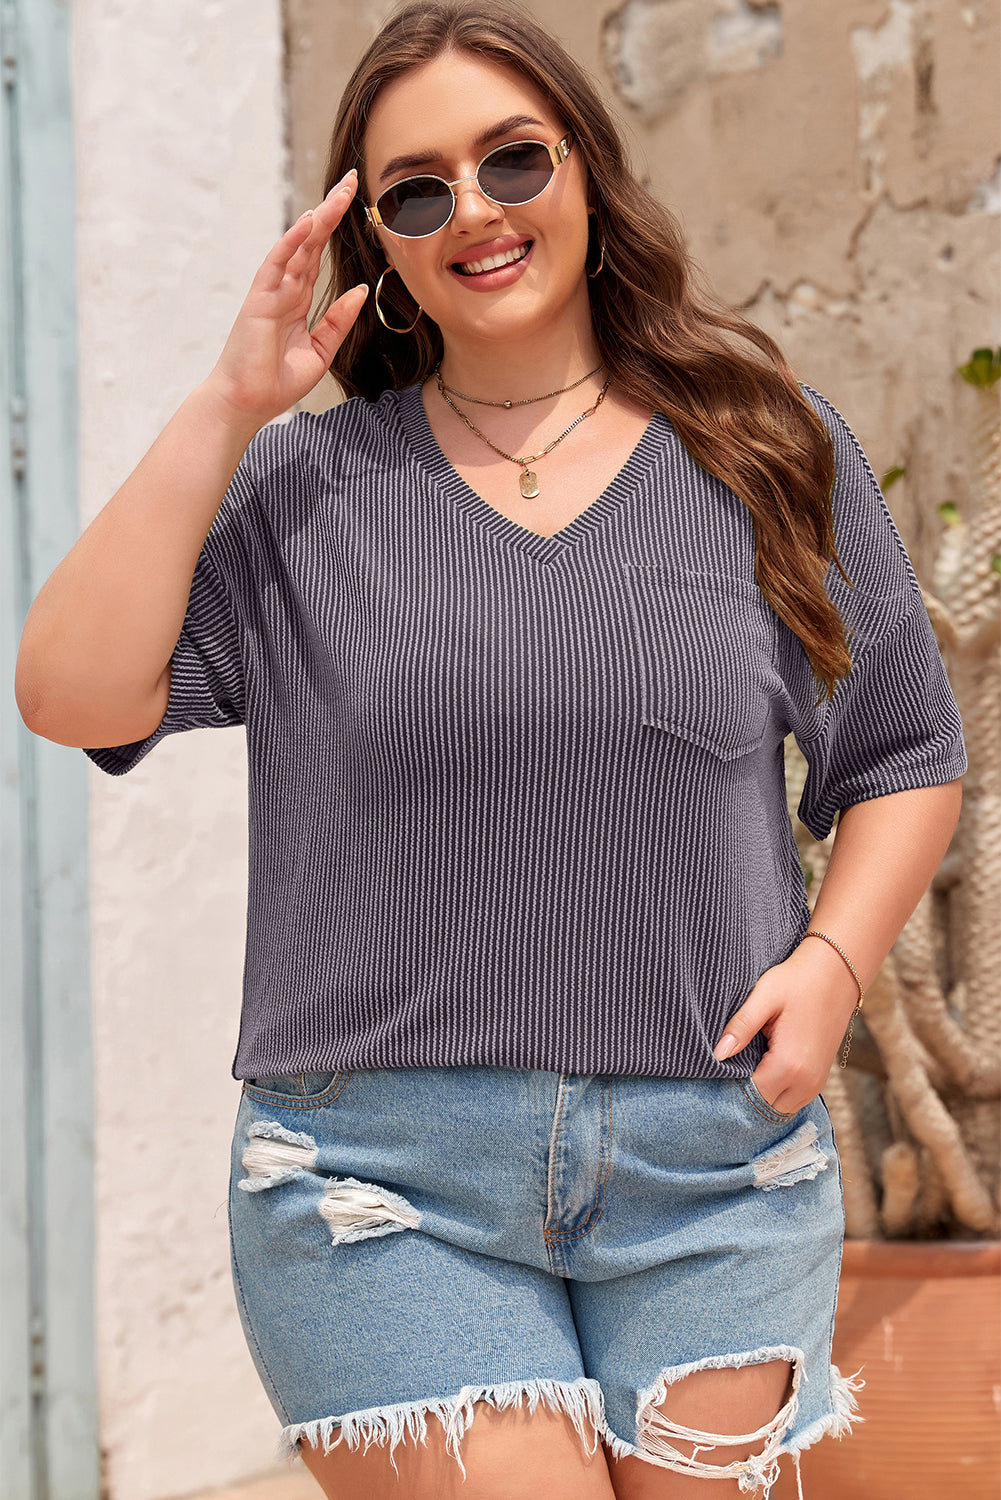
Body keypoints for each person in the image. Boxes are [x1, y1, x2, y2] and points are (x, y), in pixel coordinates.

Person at [16, 2, 967, 1497]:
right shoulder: (306, 486)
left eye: (512, 158)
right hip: (378, 1181)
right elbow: (71, 696)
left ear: (584, 167)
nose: (473, 208)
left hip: (710, 1161)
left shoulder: (765, 448)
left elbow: (904, 750)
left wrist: (835, 966)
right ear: (377, 244)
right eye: (415, 191)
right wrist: (227, 402)